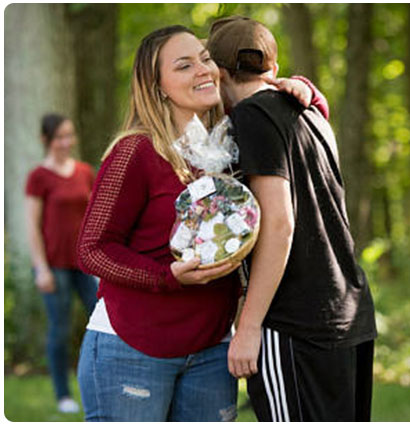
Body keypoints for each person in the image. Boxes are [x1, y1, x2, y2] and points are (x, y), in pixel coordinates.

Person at [76, 25, 325, 422]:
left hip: (212, 350)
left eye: (205, 58)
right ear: (157, 86)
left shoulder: (228, 144)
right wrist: (167, 277)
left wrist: (304, 90)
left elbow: (280, 118)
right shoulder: (134, 151)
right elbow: (91, 250)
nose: (203, 70)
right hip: (132, 347)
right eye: (184, 65)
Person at [207, 16, 377, 422]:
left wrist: (248, 327)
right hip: (349, 312)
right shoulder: (311, 114)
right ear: (273, 70)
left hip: (296, 323)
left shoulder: (251, 116)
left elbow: (280, 224)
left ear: (220, 72)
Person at [25, 114, 98, 414]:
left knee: (102, 321)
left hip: (85, 264)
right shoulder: (38, 177)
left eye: (70, 135)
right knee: (60, 329)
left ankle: (96, 384)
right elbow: (32, 225)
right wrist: (40, 267)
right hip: (53, 265)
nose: (66, 142)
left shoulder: (84, 171)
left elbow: (95, 216)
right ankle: (62, 395)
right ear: (46, 140)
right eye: (59, 137)